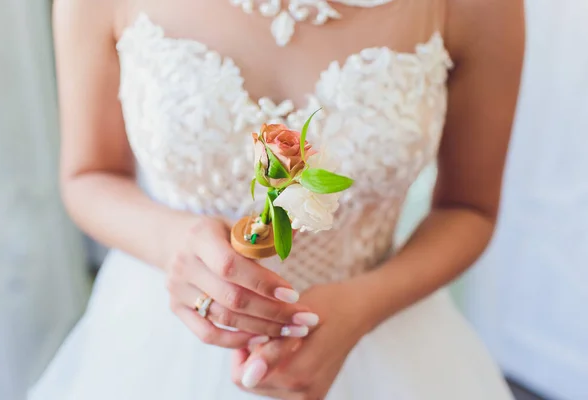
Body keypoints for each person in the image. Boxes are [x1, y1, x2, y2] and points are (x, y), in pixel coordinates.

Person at [30, 0, 524, 398]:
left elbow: (469, 208)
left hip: (384, 329)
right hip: (161, 335)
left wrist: (361, 306)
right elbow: (88, 176)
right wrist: (176, 243)